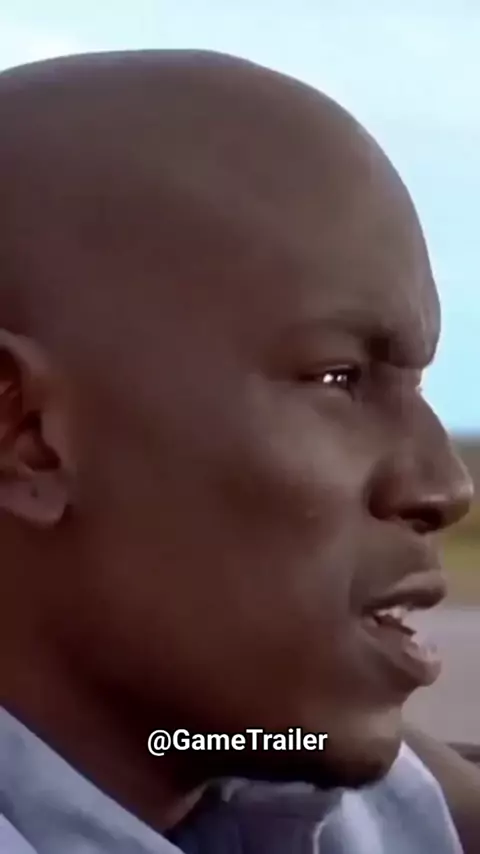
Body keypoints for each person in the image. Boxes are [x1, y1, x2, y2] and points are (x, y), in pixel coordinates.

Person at [0, 49, 478, 854]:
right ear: (25, 435)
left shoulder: (339, 793)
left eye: (419, 383)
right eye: (338, 377)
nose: (443, 486)